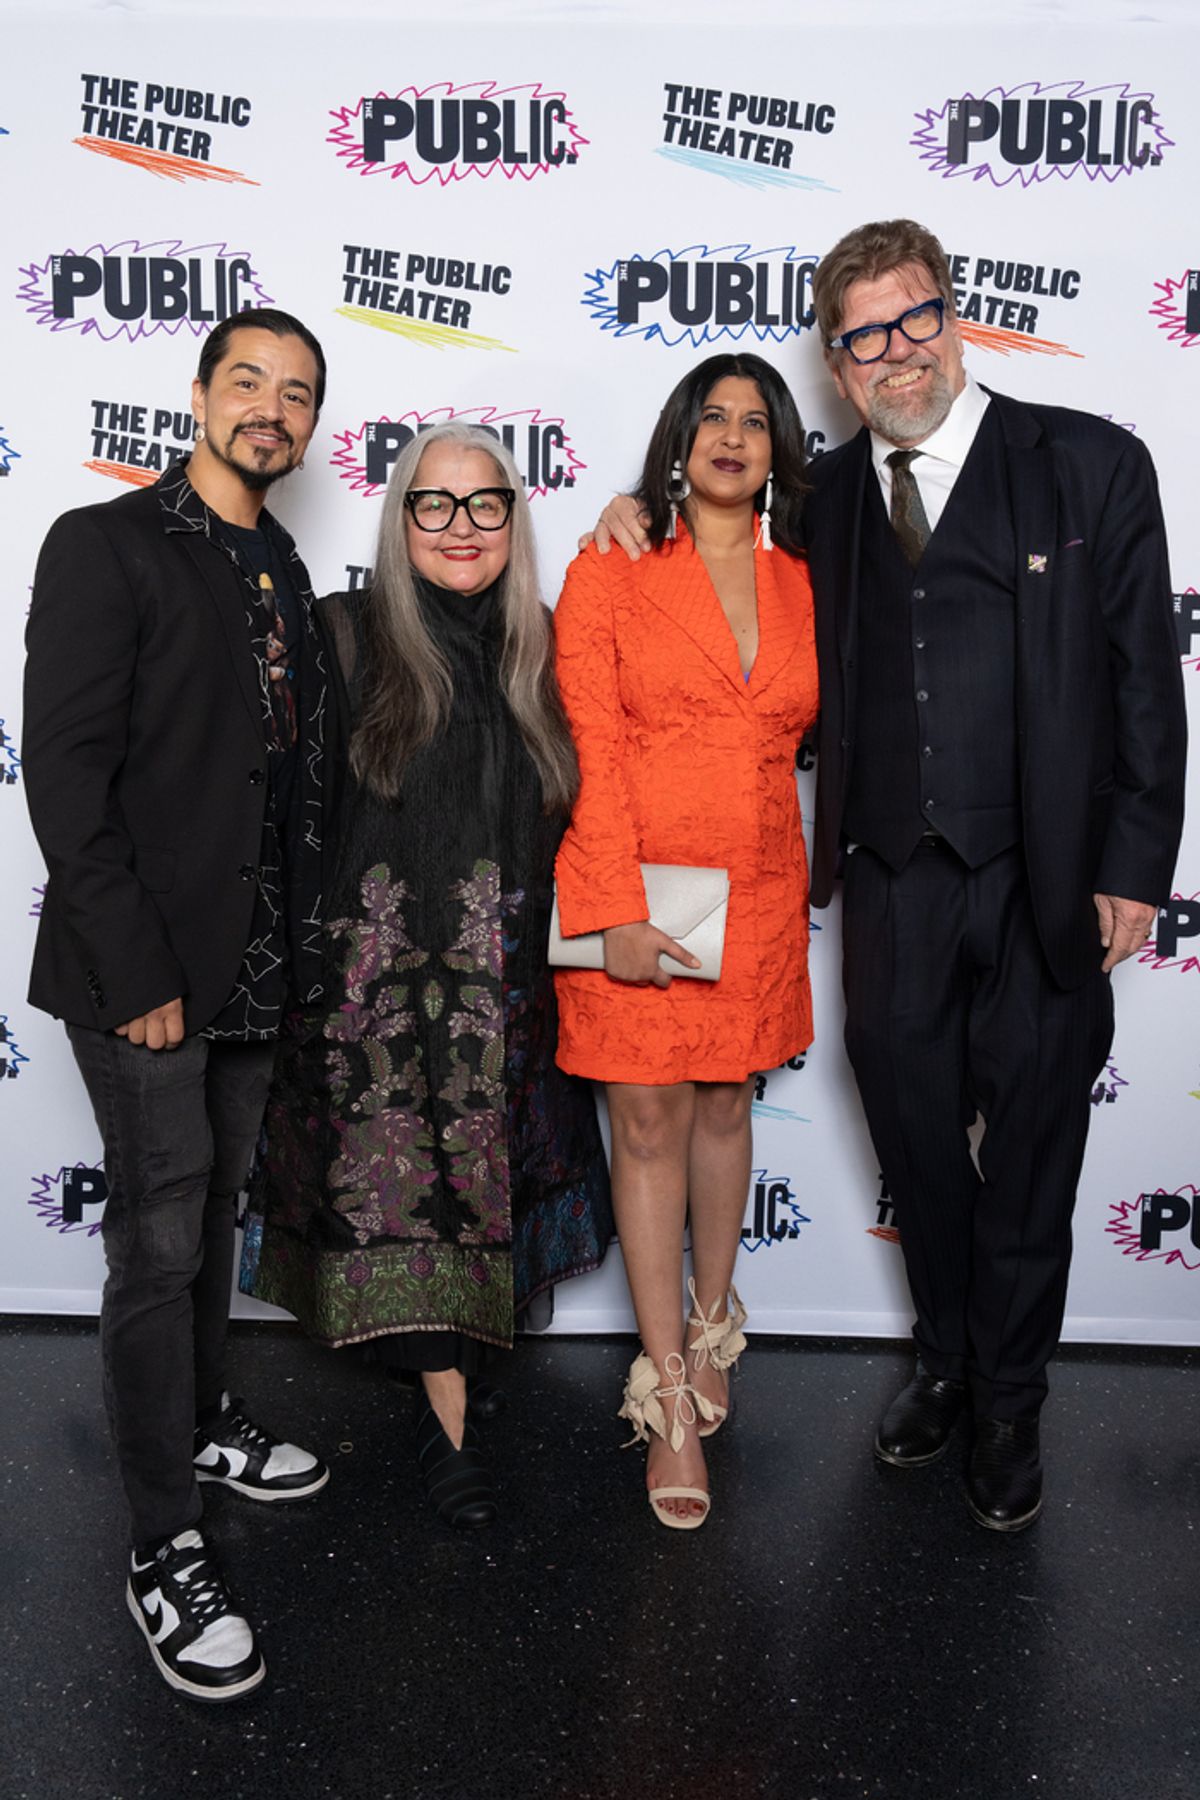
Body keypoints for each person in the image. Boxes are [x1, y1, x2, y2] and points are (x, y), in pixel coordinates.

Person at [597, 220, 1187, 1534]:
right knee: (920, 1147)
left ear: (953, 315)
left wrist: (1137, 861)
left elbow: (1149, 674)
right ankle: (946, 1359)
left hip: (1049, 877)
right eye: (865, 335)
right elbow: (714, 552)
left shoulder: (1089, 464)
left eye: (915, 319)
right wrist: (633, 512)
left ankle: (1009, 1403)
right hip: (890, 882)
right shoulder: (827, 507)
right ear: (837, 360)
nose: (897, 352)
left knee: (1032, 1152)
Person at [23, 309, 346, 1701]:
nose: (272, 410)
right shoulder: (105, 545)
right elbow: (65, 777)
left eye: (298, 395)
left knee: (212, 1211)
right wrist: (139, 972)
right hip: (143, 975)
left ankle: (205, 1418)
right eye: (249, 383)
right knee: (159, 1245)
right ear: (200, 395)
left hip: (258, 969)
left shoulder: (280, 564)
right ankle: (163, 1543)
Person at [241, 422, 612, 1530]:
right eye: (434, 505)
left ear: (515, 515)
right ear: (400, 522)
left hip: (506, 996)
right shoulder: (345, 636)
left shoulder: (544, 647)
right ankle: (444, 1415)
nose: (461, 527)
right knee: (412, 1196)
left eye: (484, 503)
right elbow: (283, 812)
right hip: (375, 1004)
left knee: (486, 1194)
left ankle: (450, 1372)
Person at [554, 354, 818, 1529]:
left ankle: (719, 1322)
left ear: (778, 451)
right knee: (648, 1119)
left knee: (723, 1104)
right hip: (640, 888)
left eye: (754, 422)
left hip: (758, 890)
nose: (730, 435)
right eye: (710, 415)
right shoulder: (612, 564)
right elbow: (588, 750)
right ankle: (664, 1386)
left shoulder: (809, 576)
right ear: (678, 437)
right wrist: (610, 910)